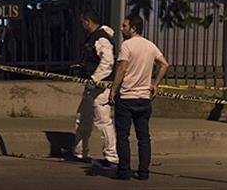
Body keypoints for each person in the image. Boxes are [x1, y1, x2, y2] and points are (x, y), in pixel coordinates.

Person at [108, 14, 169, 180]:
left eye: (125, 26)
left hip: (127, 97)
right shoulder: (150, 45)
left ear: (133, 28)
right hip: (144, 98)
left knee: (123, 136)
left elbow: (122, 69)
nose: (122, 29)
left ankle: (124, 171)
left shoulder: (127, 46)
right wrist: (155, 84)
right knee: (143, 137)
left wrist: (113, 90)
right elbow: (164, 64)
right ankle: (143, 172)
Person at [63, 10, 118, 165]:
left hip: (100, 88)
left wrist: (95, 79)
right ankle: (79, 152)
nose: (82, 25)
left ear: (87, 21)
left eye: (83, 22)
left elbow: (107, 62)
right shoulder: (94, 37)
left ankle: (111, 157)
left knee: (103, 122)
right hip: (92, 87)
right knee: (83, 119)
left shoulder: (101, 39)